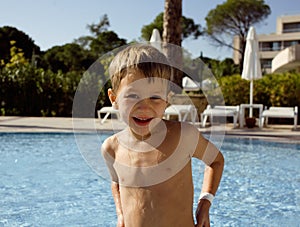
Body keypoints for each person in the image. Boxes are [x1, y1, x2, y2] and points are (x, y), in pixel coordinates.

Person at [101, 44, 224, 227]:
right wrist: (120, 213)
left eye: (155, 98)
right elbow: (116, 182)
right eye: (133, 96)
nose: (144, 107)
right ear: (114, 99)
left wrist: (205, 202)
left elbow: (216, 161)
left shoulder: (184, 136)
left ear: (167, 99)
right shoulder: (111, 148)